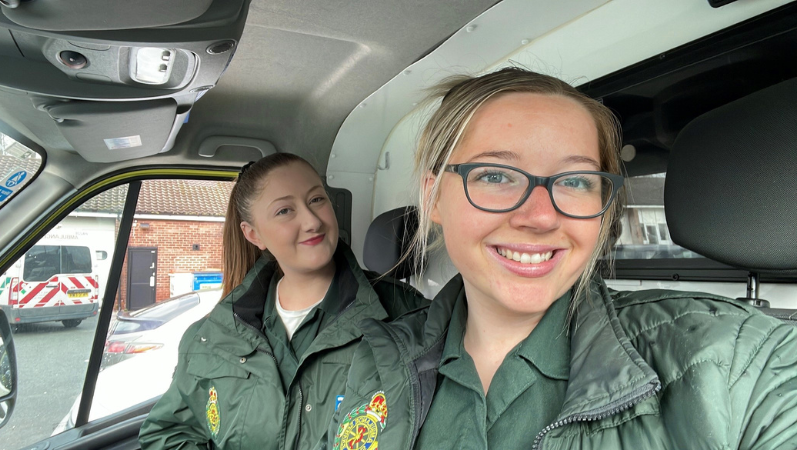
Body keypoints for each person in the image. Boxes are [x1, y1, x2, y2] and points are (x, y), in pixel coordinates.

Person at [322, 68, 797, 450]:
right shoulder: (359, 362)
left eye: (574, 182)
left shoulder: (735, 359)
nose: (541, 216)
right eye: (496, 175)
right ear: (434, 199)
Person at [138, 153, 427, 450]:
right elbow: (167, 434)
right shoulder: (212, 336)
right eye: (285, 210)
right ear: (253, 234)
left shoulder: (408, 315)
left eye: (317, 200)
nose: (312, 221)